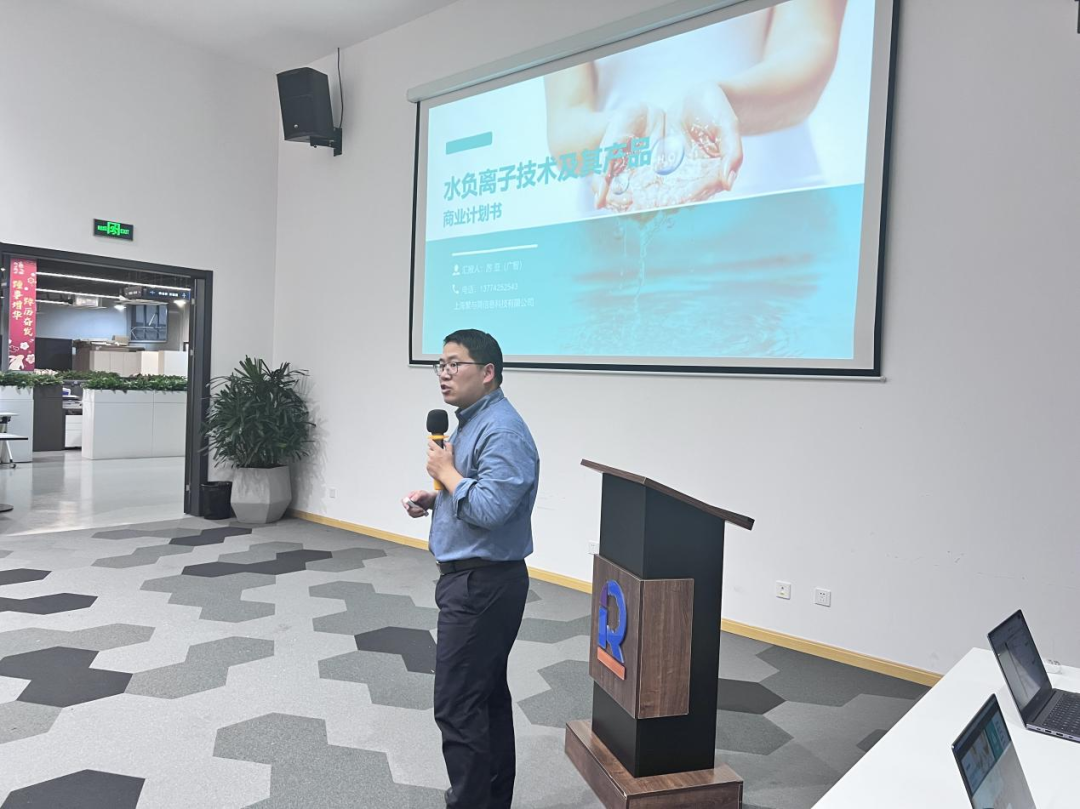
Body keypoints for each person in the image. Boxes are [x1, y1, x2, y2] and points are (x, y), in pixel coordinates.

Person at [402, 329, 539, 809]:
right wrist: (435, 498)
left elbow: (491, 509)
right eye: (440, 365)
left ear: (487, 373)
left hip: (483, 585)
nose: (444, 374)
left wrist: (446, 474)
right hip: (473, 579)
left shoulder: (503, 431)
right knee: (484, 699)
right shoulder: (471, 422)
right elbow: (472, 493)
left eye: (454, 364)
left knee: (458, 705)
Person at [544, 0, 848, 211]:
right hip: (619, 234)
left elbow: (807, 49)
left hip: (770, 219)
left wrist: (725, 99)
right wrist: (621, 131)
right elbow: (565, 125)